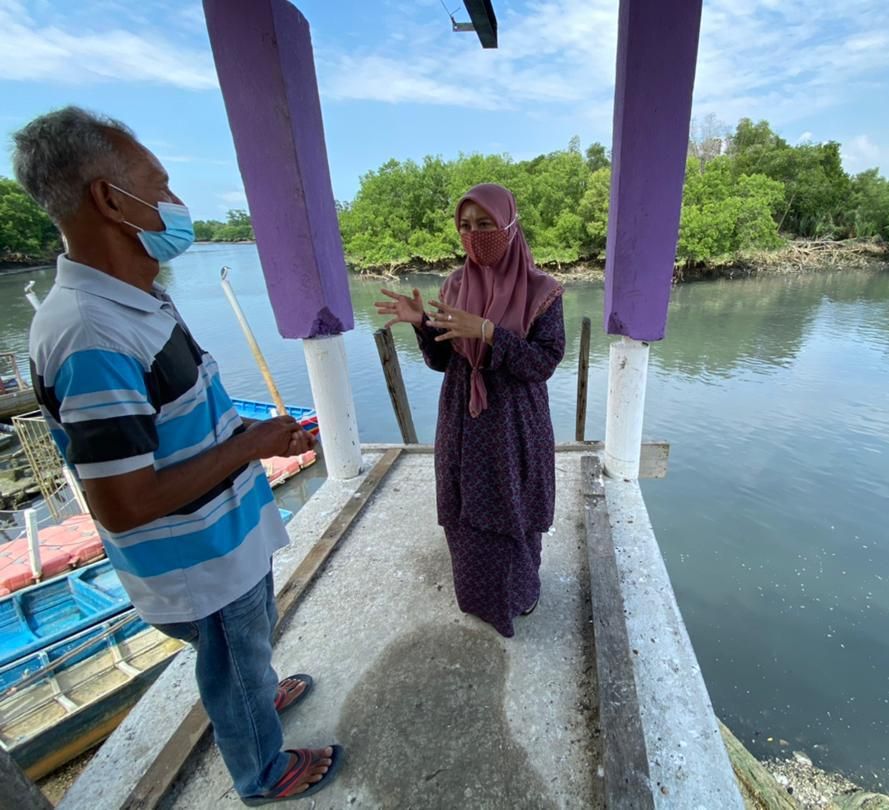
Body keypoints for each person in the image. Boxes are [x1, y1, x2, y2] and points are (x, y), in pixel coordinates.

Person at [13, 107, 342, 805]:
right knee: (234, 661)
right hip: (198, 566)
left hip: (224, 542)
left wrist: (257, 443)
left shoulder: (133, 302)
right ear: (111, 199)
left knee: (244, 654)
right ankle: (262, 770)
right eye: (158, 183)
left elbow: (170, 425)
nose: (175, 202)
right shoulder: (89, 334)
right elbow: (124, 503)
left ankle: (253, 693)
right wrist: (252, 443)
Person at [376, 183, 565, 638]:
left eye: (485, 224)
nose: (474, 234)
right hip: (463, 418)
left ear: (509, 226)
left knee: (511, 506)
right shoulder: (454, 286)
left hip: (514, 421)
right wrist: (422, 324)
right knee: (467, 511)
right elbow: (443, 361)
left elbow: (544, 362)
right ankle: (478, 598)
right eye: (465, 226)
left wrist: (490, 332)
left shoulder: (543, 290)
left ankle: (518, 594)